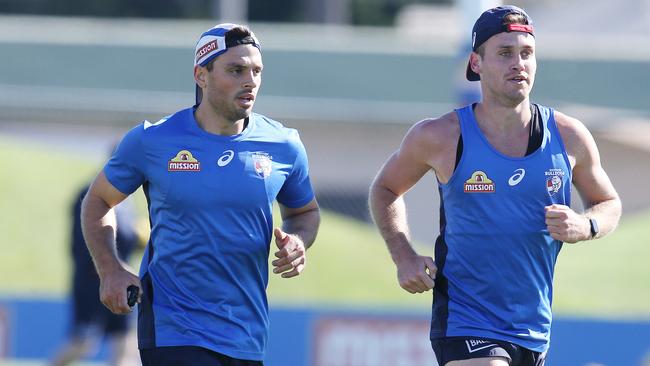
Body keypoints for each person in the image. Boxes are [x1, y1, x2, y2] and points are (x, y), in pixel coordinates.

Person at [369, 5, 621, 366]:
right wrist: (403, 254)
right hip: (465, 319)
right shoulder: (440, 136)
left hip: (534, 328)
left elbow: (608, 202)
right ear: (476, 63)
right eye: (504, 53)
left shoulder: (568, 137)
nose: (518, 63)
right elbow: (385, 189)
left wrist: (586, 224)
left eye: (526, 53)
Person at [81, 23, 320, 366]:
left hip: (246, 332)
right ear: (201, 75)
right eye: (235, 70)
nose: (249, 81)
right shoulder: (152, 141)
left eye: (256, 71)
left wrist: (298, 240)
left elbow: (305, 212)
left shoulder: (284, 145)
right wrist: (111, 269)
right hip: (173, 326)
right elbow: (99, 200)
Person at [51, 183, 139, 366]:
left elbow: (125, 239)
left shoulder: (126, 200)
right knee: (83, 343)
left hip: (123, 280)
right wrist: (109, 267)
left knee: (123, 343)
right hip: (93, 280)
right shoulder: (91, 194)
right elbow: (84, 240)